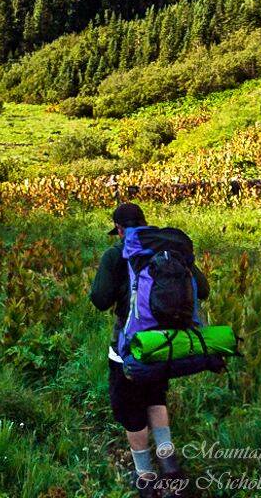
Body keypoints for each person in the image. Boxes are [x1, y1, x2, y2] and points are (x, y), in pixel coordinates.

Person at [90, 203, 209, 498]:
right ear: (144, 222)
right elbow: (203, 290)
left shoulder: (117, 254)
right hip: (164, 342)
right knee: (155, 400)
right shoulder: (167, 249)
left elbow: (100, 300)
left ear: (119, 230)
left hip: (129, 346)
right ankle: (170, 467)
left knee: (131, 412)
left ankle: (146, 477)